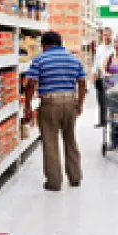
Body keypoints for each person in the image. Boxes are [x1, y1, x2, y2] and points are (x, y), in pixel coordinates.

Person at [24, 31, 87, 191]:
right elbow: (82, 83)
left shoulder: (40, 59)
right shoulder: (74, 59)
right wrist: (79, 104)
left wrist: (27, 106)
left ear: (44, 45)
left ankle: (54, 182)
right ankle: (75, 177)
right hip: (70, 101)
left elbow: (31, 83)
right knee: (70, 139)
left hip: (50, 103)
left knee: (50, 142)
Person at [91, 27, 114, 128]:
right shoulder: (99, 48)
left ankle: (113, 119)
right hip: (100, 77)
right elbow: (96, 63)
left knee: (112, 100)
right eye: (105, 35)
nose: (106, 37)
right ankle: (102, 121)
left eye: (108, 35)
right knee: (101, 100)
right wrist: (93, 74)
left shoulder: (114, 48)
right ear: (102, 36)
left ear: (111, 35)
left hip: (112, 77)